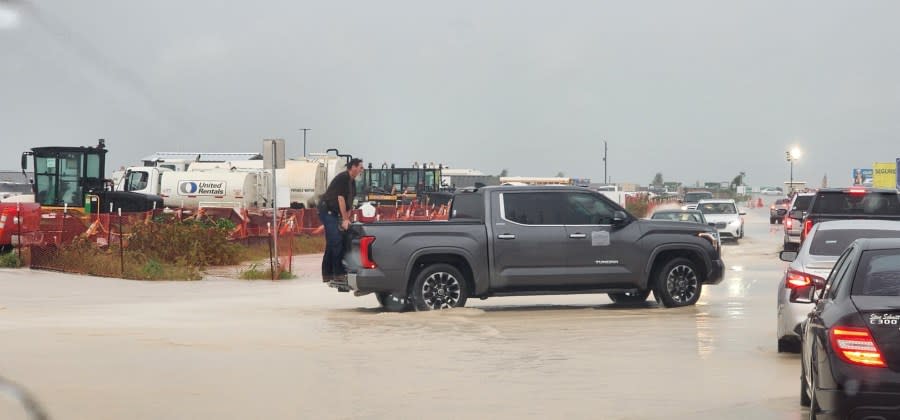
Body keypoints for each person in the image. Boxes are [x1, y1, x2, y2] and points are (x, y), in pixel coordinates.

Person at [318, 158, 364, 283]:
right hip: (327, 210)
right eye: (360, 167)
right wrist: (344, 219)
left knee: (334, 242)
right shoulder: (342, 178)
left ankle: (327, 273)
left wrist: (347, 220)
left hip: (335, 213)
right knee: (336, 241)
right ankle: (338, 273)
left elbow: (349, 203)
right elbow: (341, 199)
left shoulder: (352, 182)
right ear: (353, 167)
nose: (362, 169)